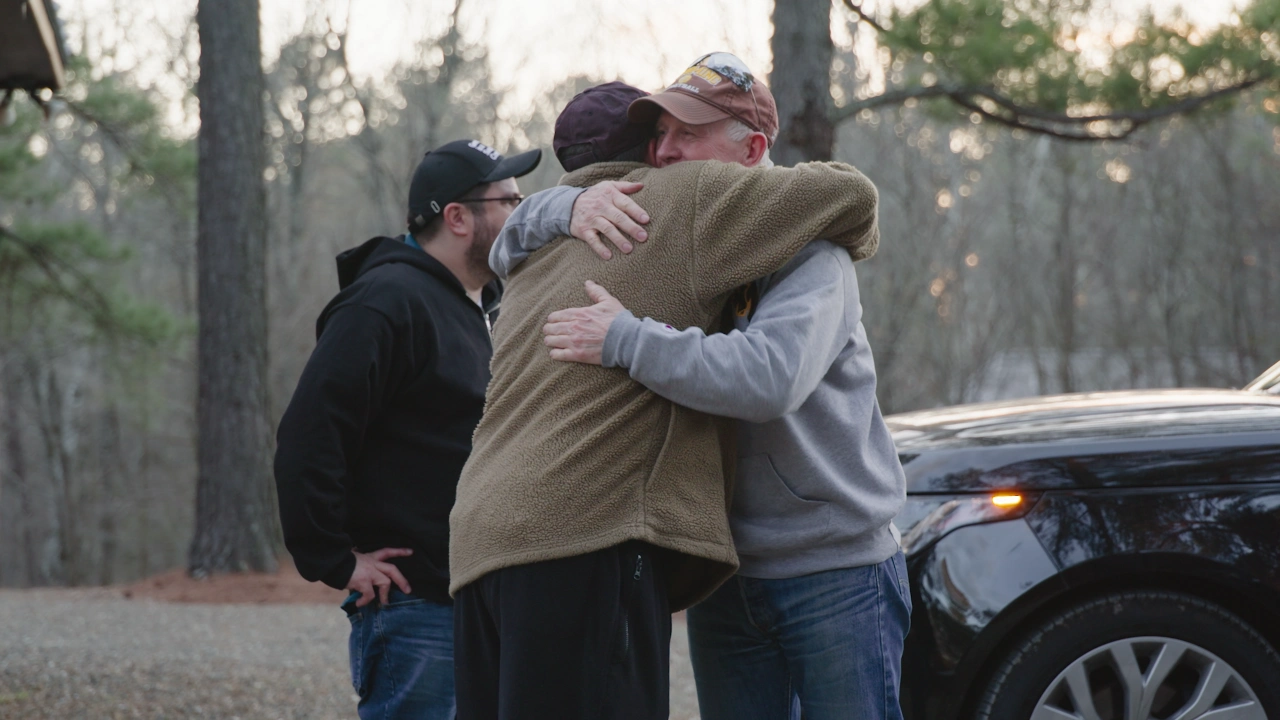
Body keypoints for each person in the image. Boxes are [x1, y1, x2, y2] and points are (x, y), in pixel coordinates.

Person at [449, 62, 880, 720]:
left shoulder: (807, 257)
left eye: (689, 133)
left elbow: (771, 374)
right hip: (729, 568)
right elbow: (508, 240)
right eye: (660, 135)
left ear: (753, 150)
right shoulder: (633, 222)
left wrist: (626, 338)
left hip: (829, 566)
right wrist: (563, 205)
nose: (666, 151)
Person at [273, 139, 540, 720]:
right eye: (510, 200)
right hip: (415, 607)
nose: (523, 213)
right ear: (459, 217)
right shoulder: (385, 302)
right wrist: (336, 559)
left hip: (473, 601)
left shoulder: (479, 308)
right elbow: (309, 437)